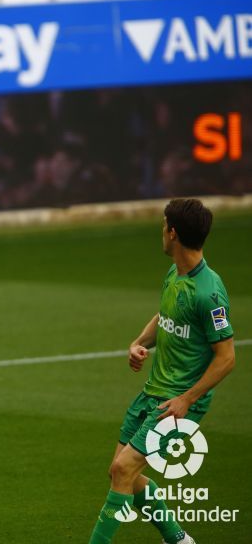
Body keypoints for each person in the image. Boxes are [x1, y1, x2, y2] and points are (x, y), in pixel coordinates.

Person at [89, 198, 235, 544]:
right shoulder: (175, 274)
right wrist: (140, 341)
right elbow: (165, 317)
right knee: (121, 473)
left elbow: (227, 358)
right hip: (153, 393)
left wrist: (187, 399)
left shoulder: (209, 293)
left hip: (178, 403)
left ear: (173, 233)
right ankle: (179, 539)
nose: (161, 232)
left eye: (162, 226)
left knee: (124, 469)